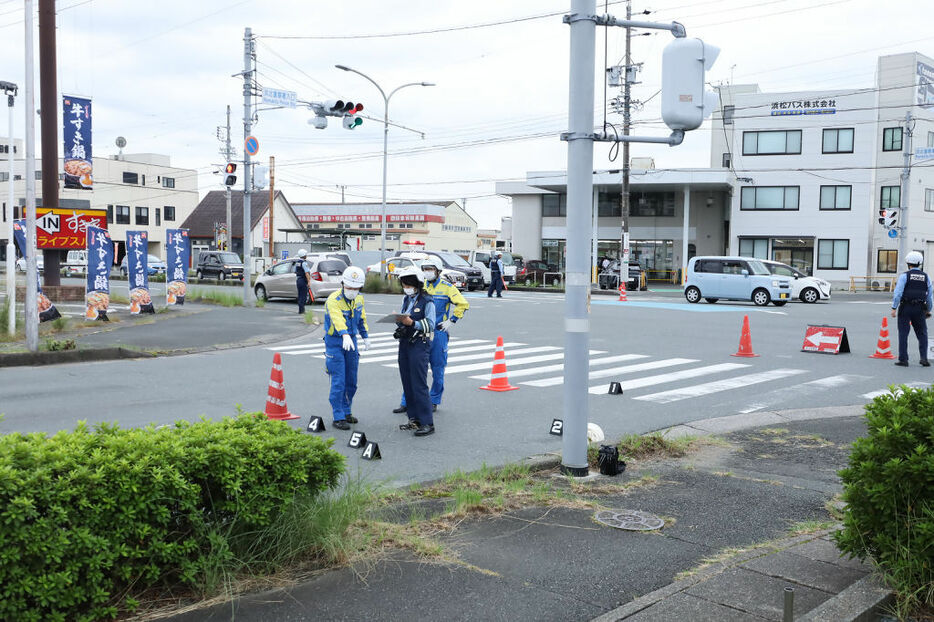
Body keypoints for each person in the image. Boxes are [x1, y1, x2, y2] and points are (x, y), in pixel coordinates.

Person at [393, 256, 469, 415]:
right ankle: (406, 401)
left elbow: (462, 304)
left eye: (430, 269)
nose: (427, 272)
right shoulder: (419, 286)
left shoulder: (448, 287)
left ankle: (434, 400)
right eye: (425, 269)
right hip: (417, 332)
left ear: (438, 271)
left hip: (437, 333)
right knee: (413, 369)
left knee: (437, 368)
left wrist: (452, 320)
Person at [323, 266, 371, 429]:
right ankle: (338, 416)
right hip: (335, 342)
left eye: (356, 288)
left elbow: (361, 318)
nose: (352, 291)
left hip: (352, 342)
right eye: (349, 287)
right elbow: (336, 319)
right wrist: (344, 334)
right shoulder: (333, 300)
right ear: (343, 284)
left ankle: (347, 410)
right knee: (339, 381)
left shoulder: (359, 299)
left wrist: (365, 336)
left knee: (352, 380)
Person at [393, 267, 436, 436]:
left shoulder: (427, 301)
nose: (406, 287)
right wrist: (399, 320)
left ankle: (427, 422)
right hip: (405, 343)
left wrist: (412, 323)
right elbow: (406, 318)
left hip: (419, 344)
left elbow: (431, 325)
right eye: (404, 284)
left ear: (417, 284)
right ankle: (414, 419)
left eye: (409, 284)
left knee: (419, 384)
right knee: (408, 383)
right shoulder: (407, 299)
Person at [890, 250, 933, 367]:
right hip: (920, 308)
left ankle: (903, 359)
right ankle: (924, 358)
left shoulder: (905, 276)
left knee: (903, 333)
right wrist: (928, 309)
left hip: (906, 307)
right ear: (920, 263)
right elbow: (929, 295)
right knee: (922, 333)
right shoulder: (926, 277)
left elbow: (898, 293)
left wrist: (894, 307)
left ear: (908, 263)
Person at [294, 249, 313, 314]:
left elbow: (295, 271)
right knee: (303, 295)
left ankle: (300, 309)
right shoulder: (304, 263)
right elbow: (307, 273)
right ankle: (302, 311)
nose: (306, 256)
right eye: (306, 254)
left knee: (300, 295)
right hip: (303, 280)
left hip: (298, 280)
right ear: (304, 255)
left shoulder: (297, 263)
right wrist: (309, 281)